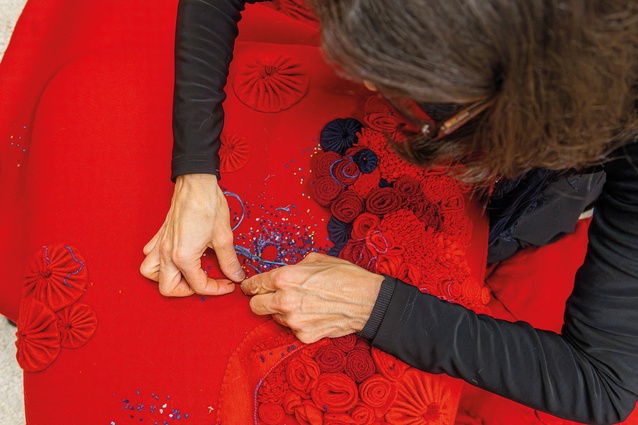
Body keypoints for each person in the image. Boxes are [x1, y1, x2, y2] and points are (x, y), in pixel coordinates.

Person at [140, 0, 638, 423]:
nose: (364, 85)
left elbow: (604, 385)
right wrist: (196, 174)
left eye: (391, 81)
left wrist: (377, 307)